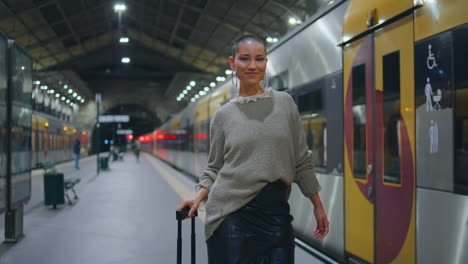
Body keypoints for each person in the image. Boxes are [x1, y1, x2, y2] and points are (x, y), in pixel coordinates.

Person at [178, 35, 329, 263]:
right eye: (245, 59)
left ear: (266, 62)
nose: (252, 66)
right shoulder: (222, 116)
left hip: (276, 213)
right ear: (232, 63)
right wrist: (197, 197)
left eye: (259, 59)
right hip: (230, 216)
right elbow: (215, 167)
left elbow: (301, 160)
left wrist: (317, 205)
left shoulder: (285, 103)